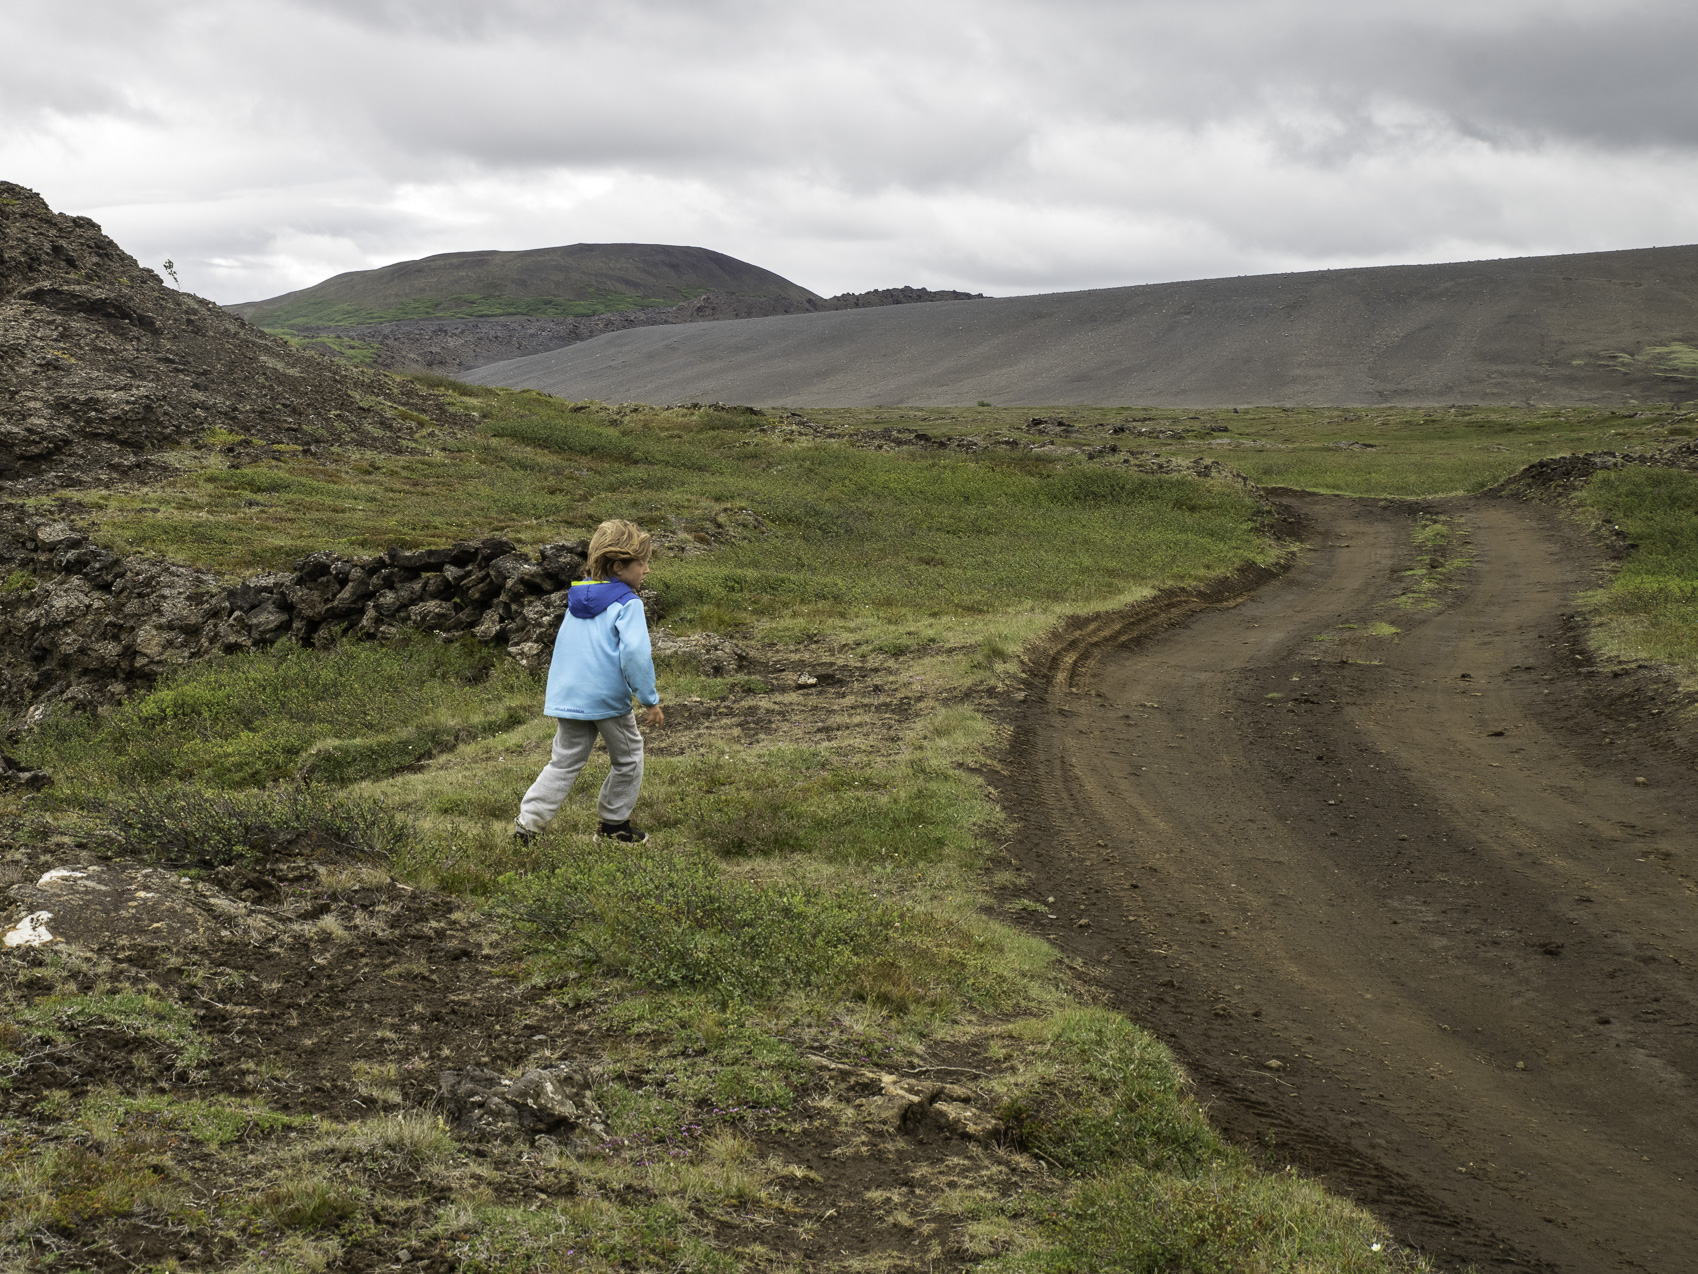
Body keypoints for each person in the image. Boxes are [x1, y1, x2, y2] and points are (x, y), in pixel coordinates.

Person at [513, 519, 664, 845]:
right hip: (607, 699)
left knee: (564, 761)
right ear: (620, 566)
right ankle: (614, 827)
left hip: (569, 696)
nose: (647, 570)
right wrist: (649, 699)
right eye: (642, 563)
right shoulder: (628, 602)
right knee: (628, 757)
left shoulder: (578, 598)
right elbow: (635, 655)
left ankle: (527, 827)